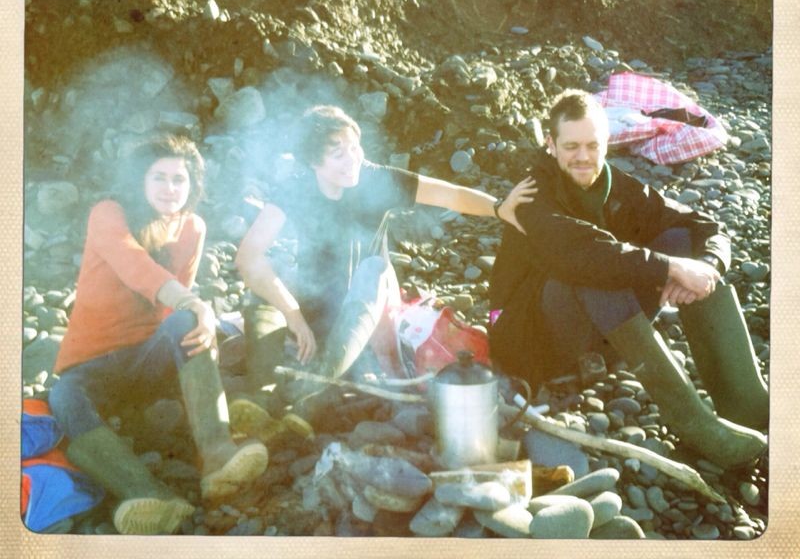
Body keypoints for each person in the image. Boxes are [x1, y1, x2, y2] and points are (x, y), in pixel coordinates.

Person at [488, 89, 768, 470]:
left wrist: (708, 265)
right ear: (551, 145)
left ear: (607, 143)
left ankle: (747, 404)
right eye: (571, 146)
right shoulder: (532, 196)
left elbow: (702, 226)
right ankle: (697, 426)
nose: (583, 157)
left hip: (601, 332)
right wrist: (671, 269)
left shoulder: (614, 183)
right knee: (599, 271)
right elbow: (583, 254)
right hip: (531, 342)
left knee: (680, 241)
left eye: (592, 145)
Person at [232, 105, 536, 432]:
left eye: (354, 147)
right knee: (266, 289)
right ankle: (261, 401)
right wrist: (292, 313)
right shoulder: (296, 189)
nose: (353, 159)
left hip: (367, 315)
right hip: (318, 313)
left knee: (374, 268)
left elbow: (446, 193)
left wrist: (498, 208)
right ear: (313, 163)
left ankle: (310, 394)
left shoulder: (376, 178)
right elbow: (249, 257)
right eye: (338, 154)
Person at [48, 133, 268, 535]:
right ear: (141, 182)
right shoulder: (108, 213)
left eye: (179, 180)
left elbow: (173, 303)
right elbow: (137, 268)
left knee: (186, 323)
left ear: (192, 185)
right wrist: (197, 304)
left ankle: (219, 457)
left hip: (148, 359)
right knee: (63, 396)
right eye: (159, 178)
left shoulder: (192, 228)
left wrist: (201, 325)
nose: (170, 188)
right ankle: (148, 495)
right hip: (92, 364)